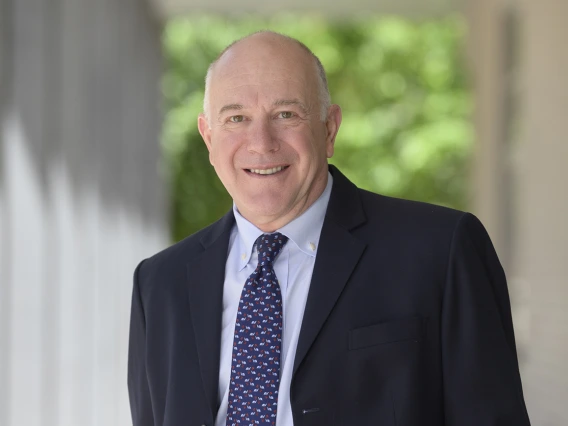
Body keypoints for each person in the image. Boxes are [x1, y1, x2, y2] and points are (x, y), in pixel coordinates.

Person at [128, 31, 531, 426]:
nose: (262, 142)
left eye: (286, 114)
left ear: (329, 128)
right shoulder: (160, 284)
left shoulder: (441, 252)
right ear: (208, 137)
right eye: (236, 118)